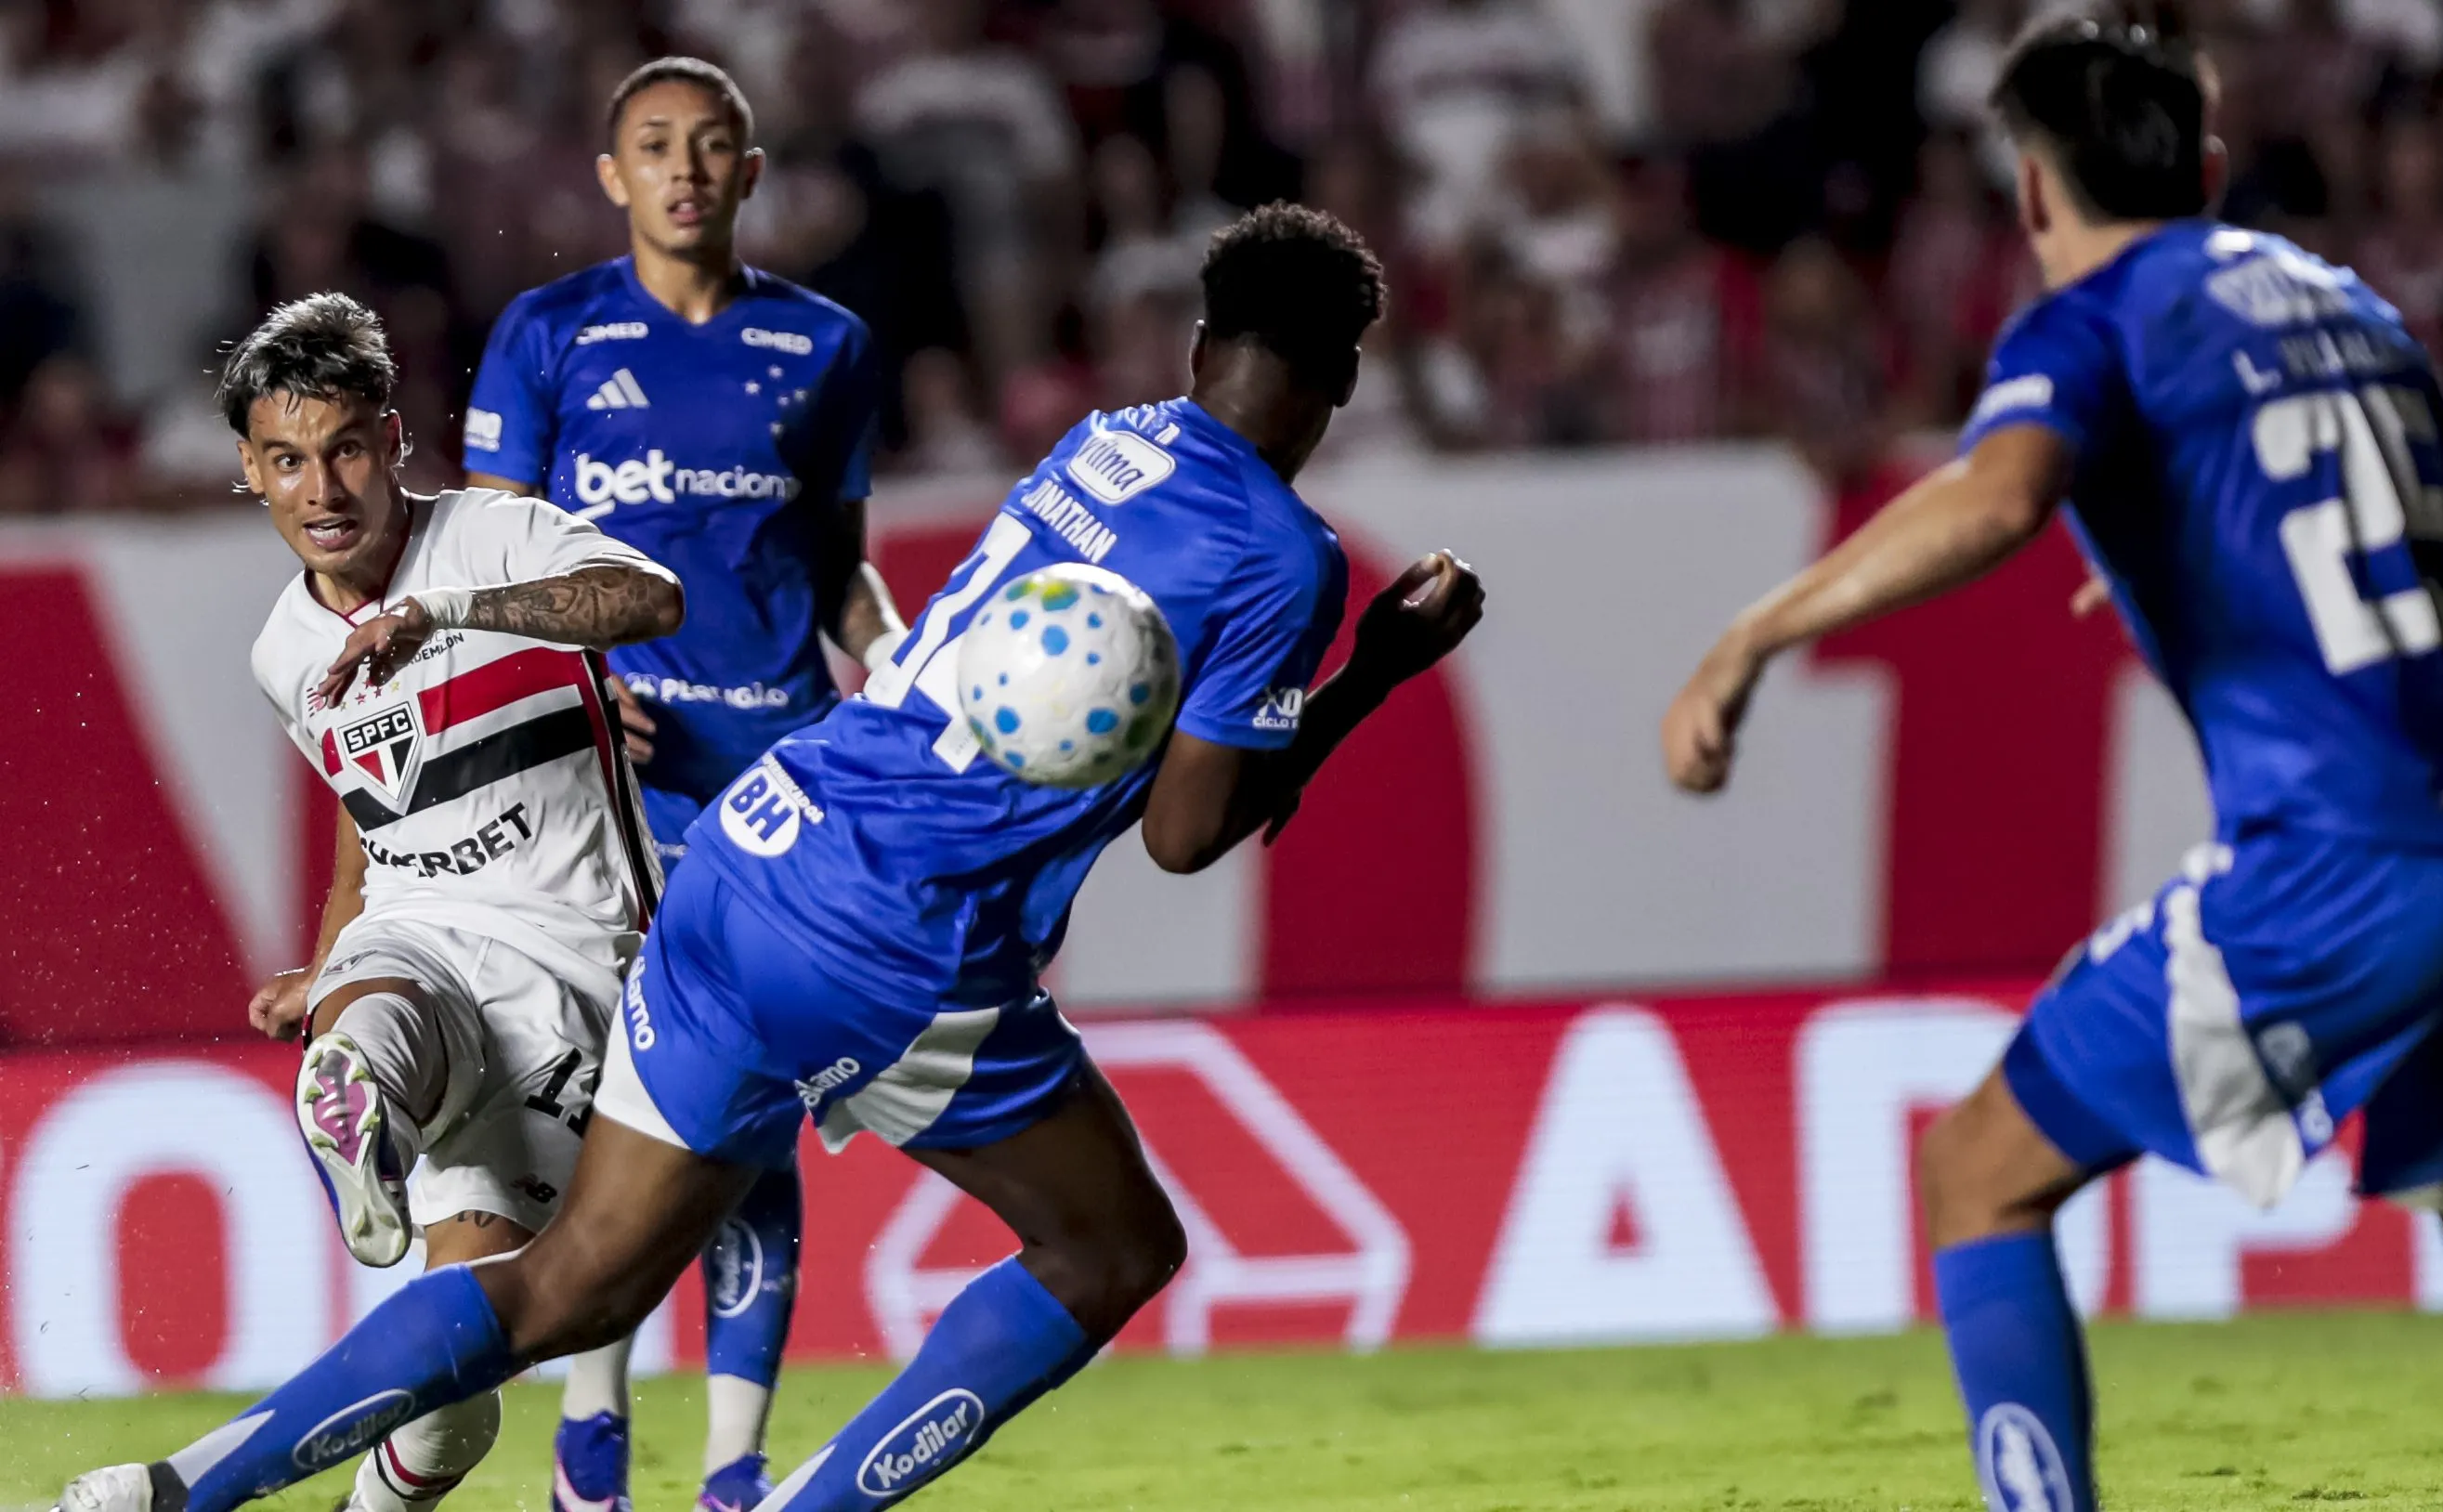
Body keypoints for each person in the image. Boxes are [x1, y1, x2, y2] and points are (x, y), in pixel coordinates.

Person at [58, 202, 1483, 1512]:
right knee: (1110, 1250)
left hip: (753, 846)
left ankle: (175, 1487)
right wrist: (1376, 670)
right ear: (1343, 381)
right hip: (900, 934)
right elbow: (1188, 836)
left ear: (1195, 341)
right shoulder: (1281, 559)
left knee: (569, 1289)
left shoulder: (1103, 440)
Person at [1663, 20, 2443, 1511]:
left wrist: (1751, 635)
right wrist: (2219, 551)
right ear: (2204, 167)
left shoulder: (2091, 321)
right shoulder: (2349, 308)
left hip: (2346, 862)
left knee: (1976, 1171)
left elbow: (1997, 497)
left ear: (2028, 195)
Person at [459, 57, 902, 1512]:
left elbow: (835, 565)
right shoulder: (548, 335)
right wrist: (574, 684)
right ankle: (593, 1425)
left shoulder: (825, 344)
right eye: (654, 145)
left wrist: (892, 663)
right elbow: (488, 568)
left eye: (713, 146)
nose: (685, 169)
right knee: (621, 1112)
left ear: (753, 172)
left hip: (775, 789)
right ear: (610, 176)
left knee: (751, 1128)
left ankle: (731, 1472)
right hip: (610, 792)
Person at [227, 293, 685, 1512]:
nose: (321, 487)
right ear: (251, 474)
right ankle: (353, 1090)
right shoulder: (283, 649)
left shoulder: (492, 535)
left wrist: (451, 613)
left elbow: (648, 601)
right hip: (421, 933)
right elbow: (357, 826)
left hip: (573, 971)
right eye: (287, 460)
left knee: (458, 1388)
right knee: (385, 988)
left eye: (344, 451)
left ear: (390, 442)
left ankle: (363, 1083)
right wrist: (323, 965)